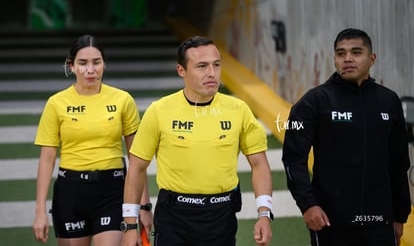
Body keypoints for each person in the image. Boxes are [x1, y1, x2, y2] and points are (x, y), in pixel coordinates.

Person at [121, 36, 273, 246]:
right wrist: (129, 225)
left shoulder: (239, 110)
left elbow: (259, 163)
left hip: (221, 216)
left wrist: (264, 213)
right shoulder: (159, 111)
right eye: (202, 66)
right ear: (181, 71)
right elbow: (136, 168)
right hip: (173, 218)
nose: (211, 73)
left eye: (216, 65)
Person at [282, 28, 411, 246]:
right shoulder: (314, 101)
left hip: (378, 221)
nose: (348, 59)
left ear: (371, 59)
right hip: (330, 221)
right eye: (341, 53)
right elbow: (293, 159)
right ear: (334, 59)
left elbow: (399, 162)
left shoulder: (389, 101)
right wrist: (308, 205)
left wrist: (400, 215)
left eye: (356, 52)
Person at [32, 35, 152, 245]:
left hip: (113, 191)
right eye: (82, 63)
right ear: (71, 66)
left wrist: (143, 206)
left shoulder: (123, 100)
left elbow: (137, 158)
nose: (90, 69)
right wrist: (40, 211)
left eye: (96, 62)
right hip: (70, 193)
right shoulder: (56, 103)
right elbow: (47, 158)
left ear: (104, 64)